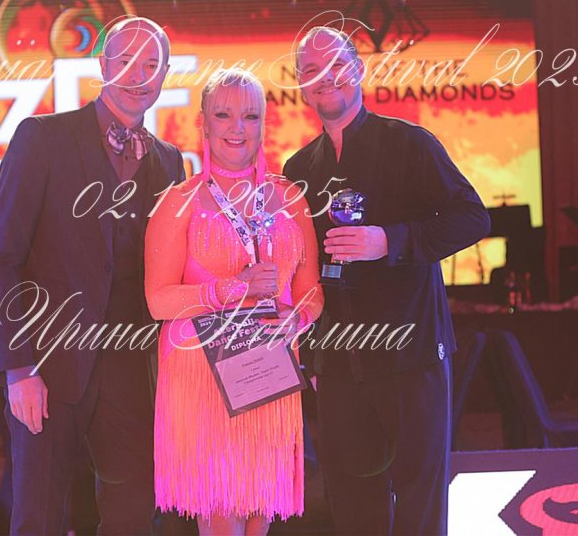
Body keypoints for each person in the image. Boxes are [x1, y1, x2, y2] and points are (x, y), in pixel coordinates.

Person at [0, 16, 186, 535]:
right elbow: (2, 258)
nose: (139, 74)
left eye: (152, 64)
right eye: (126, 60)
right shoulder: (43, 137)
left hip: (129, 369)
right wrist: (19, 367)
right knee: (40, 518)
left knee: (134, 514)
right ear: (102, 65)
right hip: (46, 366)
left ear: (165, 75)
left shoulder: (168, 162)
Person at [282, 26, 491, 535]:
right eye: (311, 70)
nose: (324, 77)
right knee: (353, 507)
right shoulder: (298, 167)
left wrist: (390, 240)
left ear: (358, 70)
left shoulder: (408, 143)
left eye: (335, 64)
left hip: (410, 357)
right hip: (338, 367)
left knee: (420, 503)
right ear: (301, 84)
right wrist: (312, 356)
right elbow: (304, 270)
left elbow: (472, 217)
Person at [144, 68, 323, 536]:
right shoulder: (179, 201)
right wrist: (229, 290)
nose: (236, 127)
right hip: (203, 374)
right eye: (223, 115)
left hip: (269, 370)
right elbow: (158, 301)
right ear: (203, 123)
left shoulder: (290, 197)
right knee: (222, 516)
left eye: (250, 116)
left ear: (264, 123)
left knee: (260, 515)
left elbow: (311, 290)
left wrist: (298, 318)